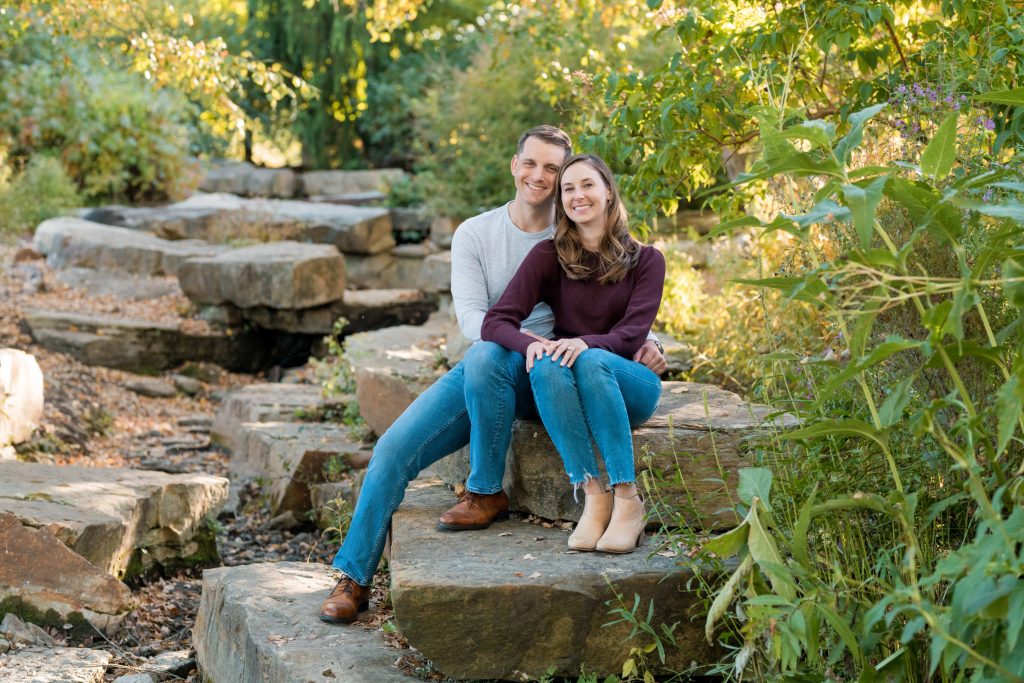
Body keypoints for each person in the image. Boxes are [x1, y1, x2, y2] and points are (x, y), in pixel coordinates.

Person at [319, 127, 667, 624]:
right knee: (395, 448)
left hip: (551, 374)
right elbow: (475, 322)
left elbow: (628, 297)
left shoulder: (576, 225)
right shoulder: (477, 233)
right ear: (514, 165)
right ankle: (354, 577)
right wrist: (534, 343)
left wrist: (652, 343)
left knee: (503, 358)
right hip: (492, 364)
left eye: (555, 170)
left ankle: (487, 490)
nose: (542, 178)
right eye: (533, 164)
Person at [480, 153, 665, 554]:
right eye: (568, 189)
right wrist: (534, 344)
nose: (577, 195)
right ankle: (594, 495)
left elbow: (633, 334)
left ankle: (628, 499)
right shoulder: (549, 257)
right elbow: (495, 322)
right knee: (545, 362)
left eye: (587, 185)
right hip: (569, 387)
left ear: (609, 193)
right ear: (561, 201)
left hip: (628, 385)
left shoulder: (647, 259)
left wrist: (586, 343)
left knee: (591, 358)